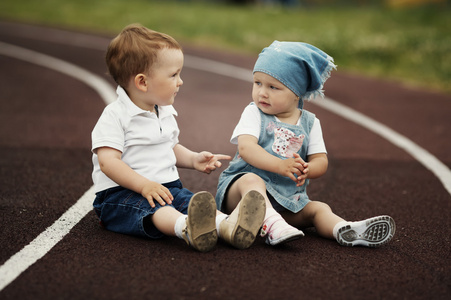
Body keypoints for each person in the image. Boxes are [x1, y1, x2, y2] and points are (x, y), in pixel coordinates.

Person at [91, 24, 266, 252]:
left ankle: (227, 225)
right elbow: (108, 162)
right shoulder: (115, 115)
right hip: (121, 195)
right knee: (157, 211)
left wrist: (194, 159)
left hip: (166, 188)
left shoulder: (163, 111)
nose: (180, 81)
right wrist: (143, 185)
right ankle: (185, 227)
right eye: (174, 75)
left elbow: (169, 147)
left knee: (191, 203)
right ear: (143, 82)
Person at [215, 41, 396, 247]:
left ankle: (344, 229)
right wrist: (280, 165)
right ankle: (272, 225)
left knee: (318, 209)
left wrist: (309, 169)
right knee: (251, 180)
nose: (262, 93)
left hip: (287, 199)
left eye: (273, 87)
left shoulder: (310, 123)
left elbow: (320, 160)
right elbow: (246, 148)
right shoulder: (253, 113)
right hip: (240, 195)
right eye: (257, 83)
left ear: (296, 92)